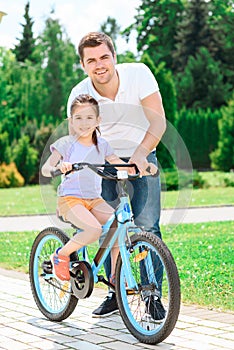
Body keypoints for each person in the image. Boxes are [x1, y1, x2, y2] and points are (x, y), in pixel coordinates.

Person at [66, 32, 166, 317]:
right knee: (110, 228)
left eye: (104, 57)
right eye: (91, 60)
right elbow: (80, 136)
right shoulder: (79, 93)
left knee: (147, 226)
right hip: (104, 159)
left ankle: (151, 296)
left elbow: (157, 121)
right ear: (84, 65)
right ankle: (115, 291)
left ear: (114, 57)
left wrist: (141, 153)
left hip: (142, 152)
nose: (99, 65)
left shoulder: (139, 75)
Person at [42, 94, 156, 282]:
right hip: (70, 199)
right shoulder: (66, 144)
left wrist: (140, 167)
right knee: (93, 230)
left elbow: (117, 163)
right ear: (71, 121)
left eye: (89, 118)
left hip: (94, 200)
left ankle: (115, 276)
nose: (84, 123)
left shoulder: (102, 145)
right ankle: (60, 255)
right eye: (78, 118)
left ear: (98, 120)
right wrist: (59, 167)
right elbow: (46, 168)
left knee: (118, 225)